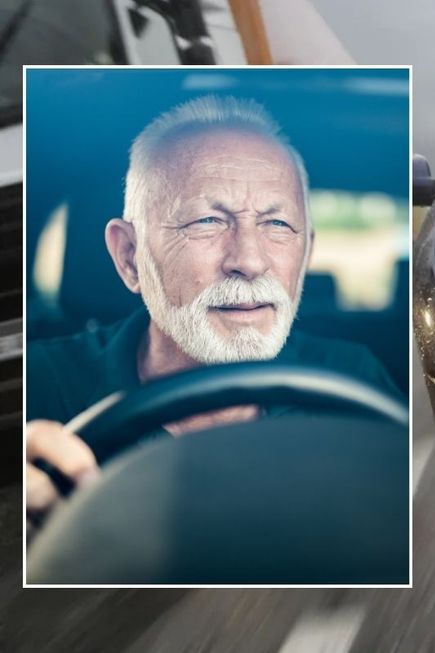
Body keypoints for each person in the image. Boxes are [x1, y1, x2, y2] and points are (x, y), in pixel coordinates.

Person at [26, 95, 397, 529]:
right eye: (206, 221)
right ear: (129, 257)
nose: (250, 260)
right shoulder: (41, 385)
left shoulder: (355, 380)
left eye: (277, 224)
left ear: (307, 251)